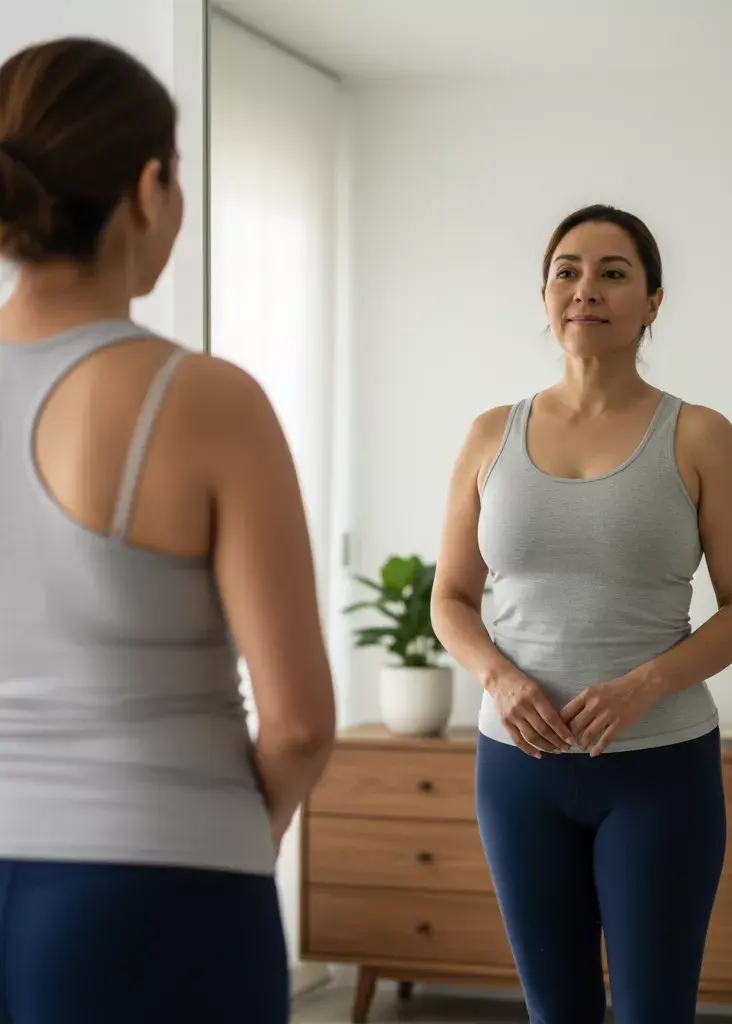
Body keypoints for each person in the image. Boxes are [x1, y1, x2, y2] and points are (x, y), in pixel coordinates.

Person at [0, 37, 336, 1024]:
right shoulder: (200, 398)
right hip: (158, 887)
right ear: (150, 187)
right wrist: (239, 826)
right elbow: (303, 721)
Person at [431, 204, 732, 1023]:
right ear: (545, 295)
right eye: (567, 271)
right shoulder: (488, 437)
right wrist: (500, 680)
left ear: (653, 300)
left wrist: (643, 685)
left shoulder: (699, 436)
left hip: (658, 770)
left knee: (654, 1011)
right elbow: (449, 600)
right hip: (518, 769)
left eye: (614, 272)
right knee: (557, 1011)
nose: (587, 289)